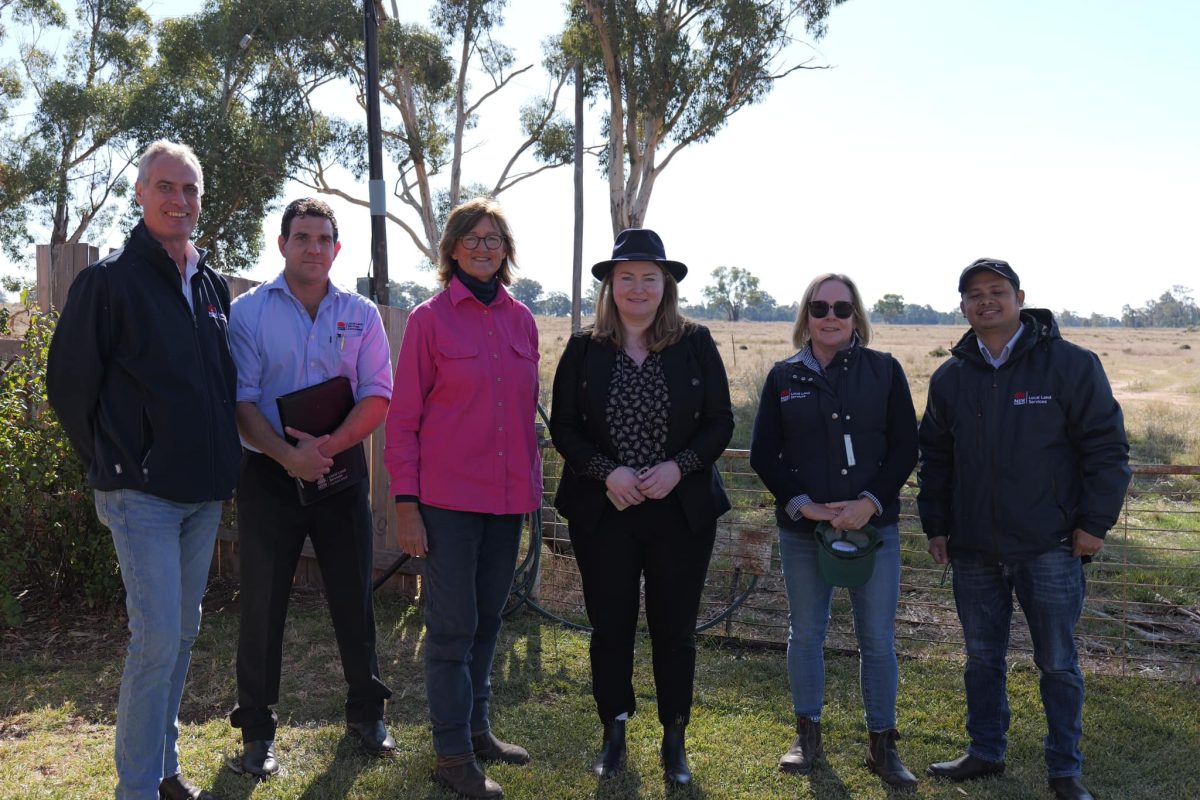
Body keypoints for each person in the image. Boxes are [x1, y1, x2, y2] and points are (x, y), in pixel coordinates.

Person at [46, 140, 240, 800]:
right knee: (156, 639)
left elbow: (218, 384)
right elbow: (69, 386)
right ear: (140, 194)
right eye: (166, 186)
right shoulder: (108, 283)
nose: (179, 199)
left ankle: (163, 769)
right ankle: (136, 789)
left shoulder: (212, 286)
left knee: (182, 635)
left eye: (190, 189)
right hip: (141, 494)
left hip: (203, 493)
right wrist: (116, 461)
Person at [918, 259, 1131, 800]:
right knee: (981, 658)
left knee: (1058, 663)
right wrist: (937, 525)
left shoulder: (1070, 365)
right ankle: (985, 751)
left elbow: (1106, 449)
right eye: (974, 295)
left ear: (1019, 297)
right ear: (962, 305)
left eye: (997, 292)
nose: (985, 301)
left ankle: (1065, 771)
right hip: (972, 550)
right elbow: (936, 459)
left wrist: (1094, 524)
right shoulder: (950, 377)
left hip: (1052, 546)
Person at [550, 228, 734, 787]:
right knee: (611, 626)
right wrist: (609, 473)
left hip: (679, 510)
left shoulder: (695, 342)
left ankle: (674, 737)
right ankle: (614, 730)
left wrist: (679, 466)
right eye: (625, 277)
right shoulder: (584, 347)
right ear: (610, 285)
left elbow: (720, 422)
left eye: (648, 278)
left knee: (675, 628)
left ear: (665, 286)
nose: (636, 288)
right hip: (606, 509)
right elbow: (565, 427)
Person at [224, 198, 395, 775]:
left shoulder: (362, 313)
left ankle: (367, 711)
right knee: (263, 603)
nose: (314, 248)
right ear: (282, 245)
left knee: (354, 594)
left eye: (324, 239)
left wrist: (323, 449)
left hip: (340, 470)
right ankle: (255, 729)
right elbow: (242, 401)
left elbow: (377, 393)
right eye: (302, 237)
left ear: (337, 249)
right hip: (268, 474)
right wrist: (288, 455)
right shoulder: (247, 313)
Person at [384, 197, 540, 800]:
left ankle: (478, 730)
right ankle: (452, 759)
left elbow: (524, 418)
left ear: (505, 250)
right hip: (446, 505)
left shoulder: (522, 320)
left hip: (507, 503)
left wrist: (532, 494)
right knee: (451, 630)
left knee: (489, 621)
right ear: (451, 249)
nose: (482, 247)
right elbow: (404, 420)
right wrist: (405, 503)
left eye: (493, 238)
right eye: (471, 238)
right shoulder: (429, 320)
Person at [748, 273, 919, 790]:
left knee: (877, 639)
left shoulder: (884, 371)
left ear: (855, 317)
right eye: (819, 307)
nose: (830, 316)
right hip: (805, 532)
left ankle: (882, 745)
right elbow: (764, 455)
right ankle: (807, 735)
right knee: (807, 632)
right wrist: (807, 507)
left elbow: (904, 448)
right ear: (806, 314)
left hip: (874, 530)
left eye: (841, 309)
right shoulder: (784, 377)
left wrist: (868, 503)